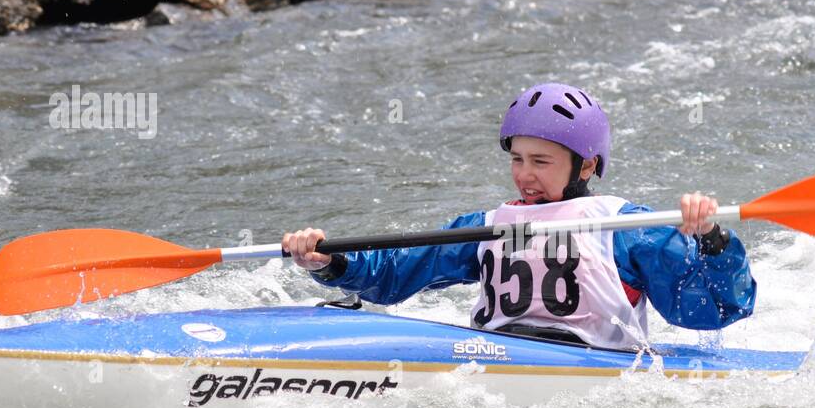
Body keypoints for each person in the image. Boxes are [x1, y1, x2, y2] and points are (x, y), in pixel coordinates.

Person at [282, 83, 756, 349]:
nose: (525, 175)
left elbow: (712, 311)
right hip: (495, 358)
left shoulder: (630, 230)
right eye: (518, 159)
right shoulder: (488, 224)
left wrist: (710, 238)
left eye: (541, 162)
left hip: (594, 369)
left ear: (587, 165)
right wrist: (330, 262)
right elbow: (395, 274)